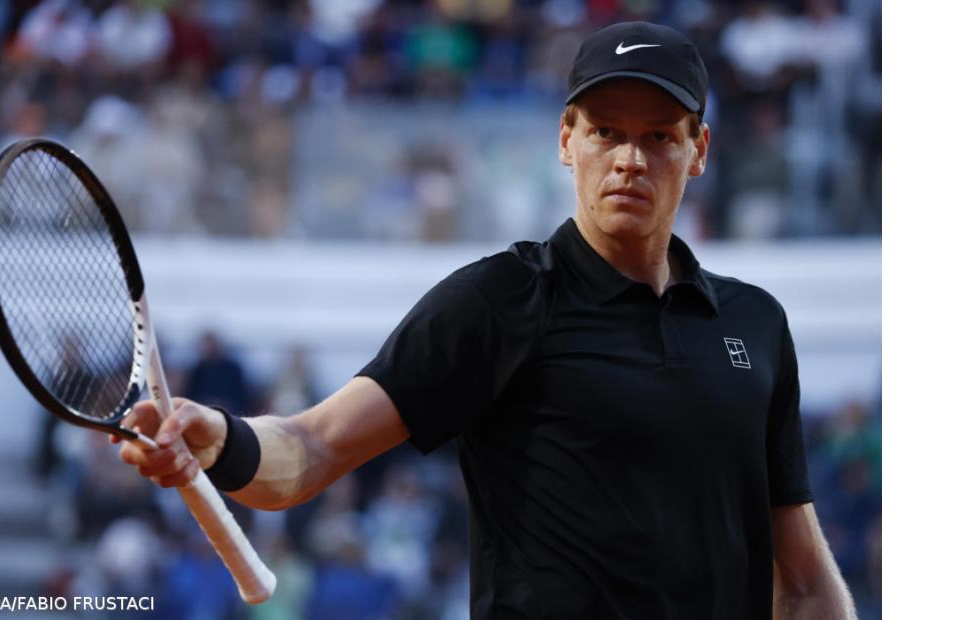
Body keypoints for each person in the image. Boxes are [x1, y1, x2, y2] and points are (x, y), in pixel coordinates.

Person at [115, 21, 856, 619]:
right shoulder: (502, 299)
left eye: (660, 135)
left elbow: (804, 580)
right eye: (605, 131)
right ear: (567, 139)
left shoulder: (756, 325)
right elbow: (312, 447)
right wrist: (221, 439)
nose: (629, 158)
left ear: (699, 152)